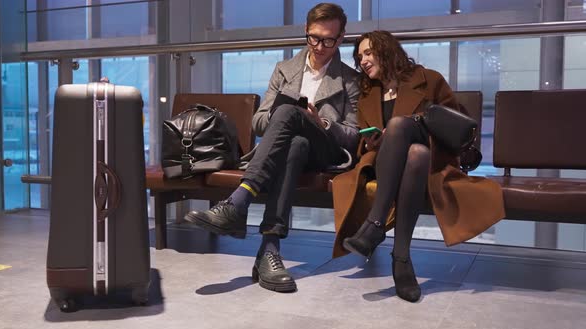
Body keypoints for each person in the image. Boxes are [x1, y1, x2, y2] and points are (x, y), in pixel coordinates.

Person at [185, 3, 360, 293]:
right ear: (306, 31)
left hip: (326, 151)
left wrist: (323, 123)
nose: (319, 46)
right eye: (314, 38)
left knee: (295, 119)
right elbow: (258, 121)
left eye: (328, 40)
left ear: (341, 38)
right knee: (295, 141)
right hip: (294, 149)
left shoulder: (351, 79)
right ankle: (269, 250)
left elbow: (353, 136)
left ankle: (237, 203)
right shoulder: (285, 70)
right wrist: (282, 115)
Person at [332, 30, 505, 302]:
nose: (362, 61)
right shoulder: (366, 94)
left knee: (409, 138)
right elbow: (362, 139)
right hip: (386, 162)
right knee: (414, 152)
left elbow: (456, 127)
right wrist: (371, 142)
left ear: (387, 50)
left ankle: (375, 226)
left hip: (435, 160)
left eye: (368, 53)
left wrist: (408, 127)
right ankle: (401, 259)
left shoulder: (429, 79)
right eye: (359, 56)